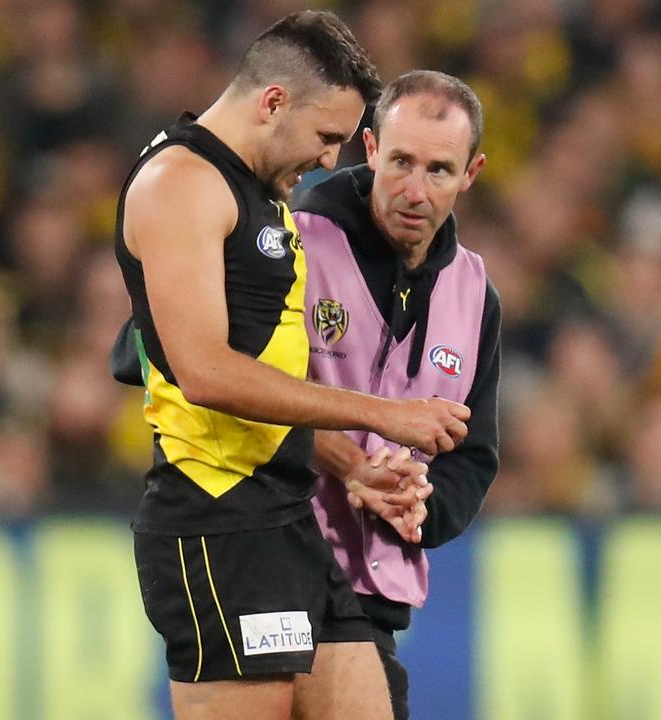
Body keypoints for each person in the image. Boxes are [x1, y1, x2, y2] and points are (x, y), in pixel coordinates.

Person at [113, 12, 471, 720]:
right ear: (273, 101)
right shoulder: (180, 184)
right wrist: (383, 415)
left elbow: (262, 367)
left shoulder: (253, 185)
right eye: (328, 137)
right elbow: (207, 373)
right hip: (217, 523)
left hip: (287, 514)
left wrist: (352, 466)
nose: (332, 161)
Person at [293, 69, 499, 720]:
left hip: (373, 591)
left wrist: (417, 507)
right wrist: (349, 465)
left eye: (439, 170)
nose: (415, 189)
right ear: (371, 148)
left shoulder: (474, 296)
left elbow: (473, 452)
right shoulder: (293, 243)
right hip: (272, 555)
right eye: (402, 161)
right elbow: (224, 384)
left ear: (471, 173)